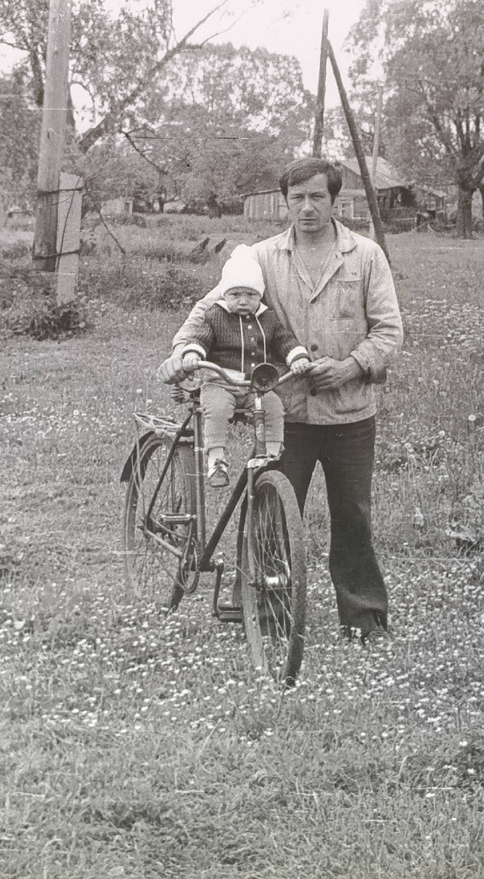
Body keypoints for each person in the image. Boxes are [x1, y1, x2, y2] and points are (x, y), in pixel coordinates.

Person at [157, 158, 403, 645]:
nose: (307, 207)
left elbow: (389, 330)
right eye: (297, 198)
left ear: (335, 200)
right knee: (270, 511)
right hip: (283, 411)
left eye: (317, 197)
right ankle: (265, 612)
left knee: (353, 514)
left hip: (351, 411)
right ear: (285, 201)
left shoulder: (366, 255)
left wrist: (351, 366)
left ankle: (364, 617)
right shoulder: (261, 257)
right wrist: (185, 348)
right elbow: (209, 309)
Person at [176, 244, 311, 487]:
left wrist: (297, 357)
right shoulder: (216, 315)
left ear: (260, 295)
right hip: (220, 382)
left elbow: (283, 339)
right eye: (235, 295)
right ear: (224, 295)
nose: (243, 301)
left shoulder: (267, 317)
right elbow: (201, 337)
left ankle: (271, 456)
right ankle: (216, 460)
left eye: (250, 295)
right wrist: (193, 354)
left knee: (274, 408)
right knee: (216, 411)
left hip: (255, 385)